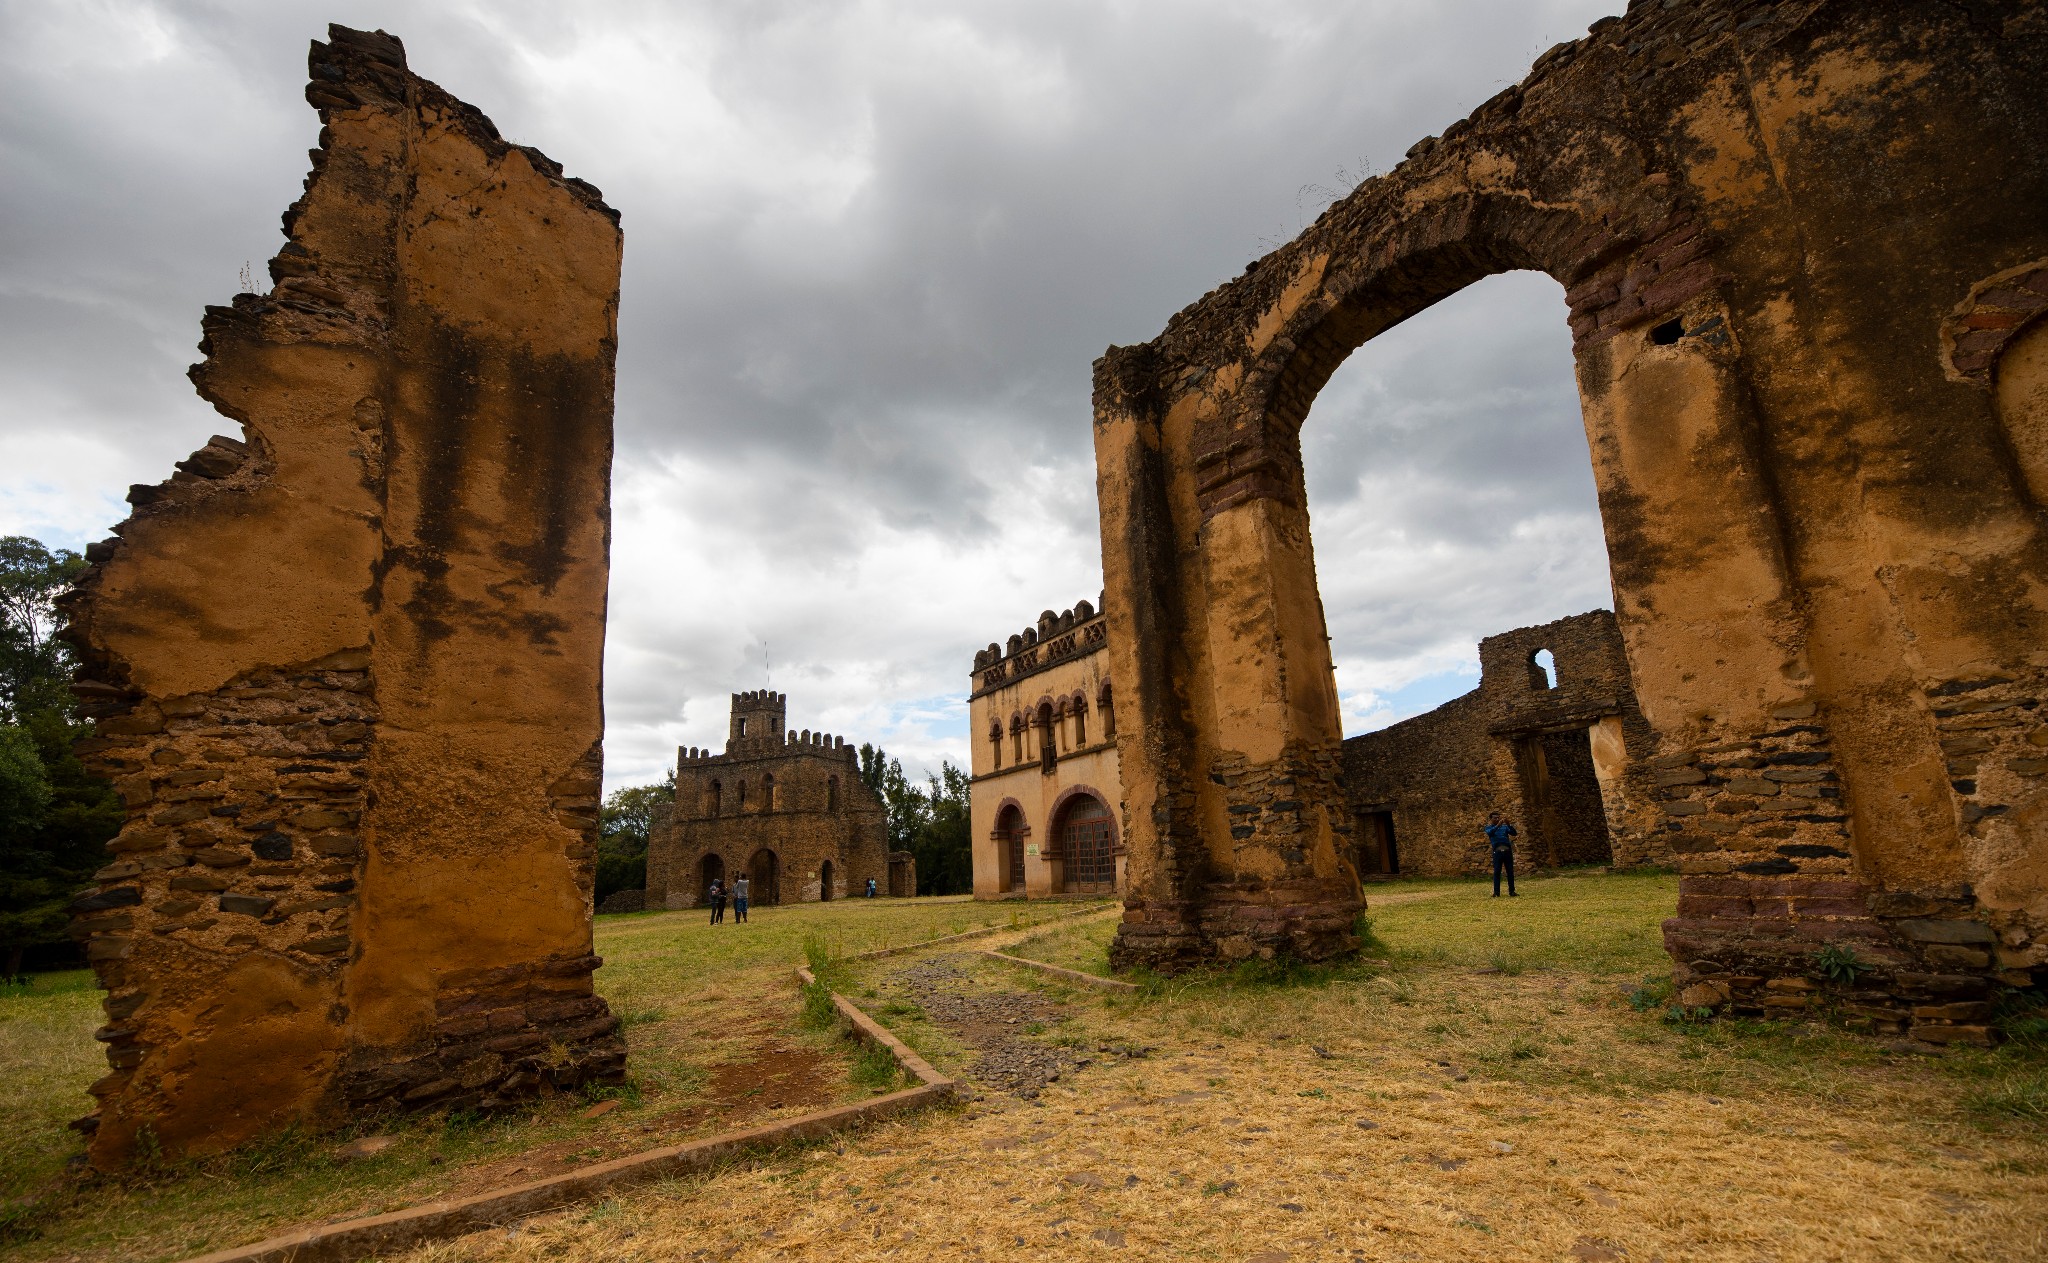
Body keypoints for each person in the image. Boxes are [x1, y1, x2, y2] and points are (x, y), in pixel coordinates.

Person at [1484, 812, 1518, 897]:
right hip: (1497, 851)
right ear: (1491, 819)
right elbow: (1490, 833)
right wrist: (1497, 826)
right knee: (1497, 872)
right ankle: (1496, 892)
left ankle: (1512, 891)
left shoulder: (1505, 827)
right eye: (1495, 818)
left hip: (1507, 851)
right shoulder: (1489, 827)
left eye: (1498, 818)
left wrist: (1508, 824)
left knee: (1510, 871)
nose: (1497, 819)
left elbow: (1514, 833)